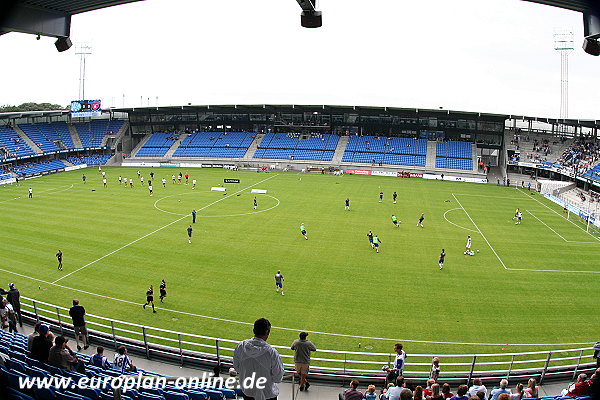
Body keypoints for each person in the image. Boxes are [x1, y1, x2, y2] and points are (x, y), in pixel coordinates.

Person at [233, 318, 284, 400]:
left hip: (248, 393)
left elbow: (237, 367)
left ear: (254, 330)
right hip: (268, 395)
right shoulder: (272, 353)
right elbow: (278, 377)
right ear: (267, 332)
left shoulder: (241, 347)